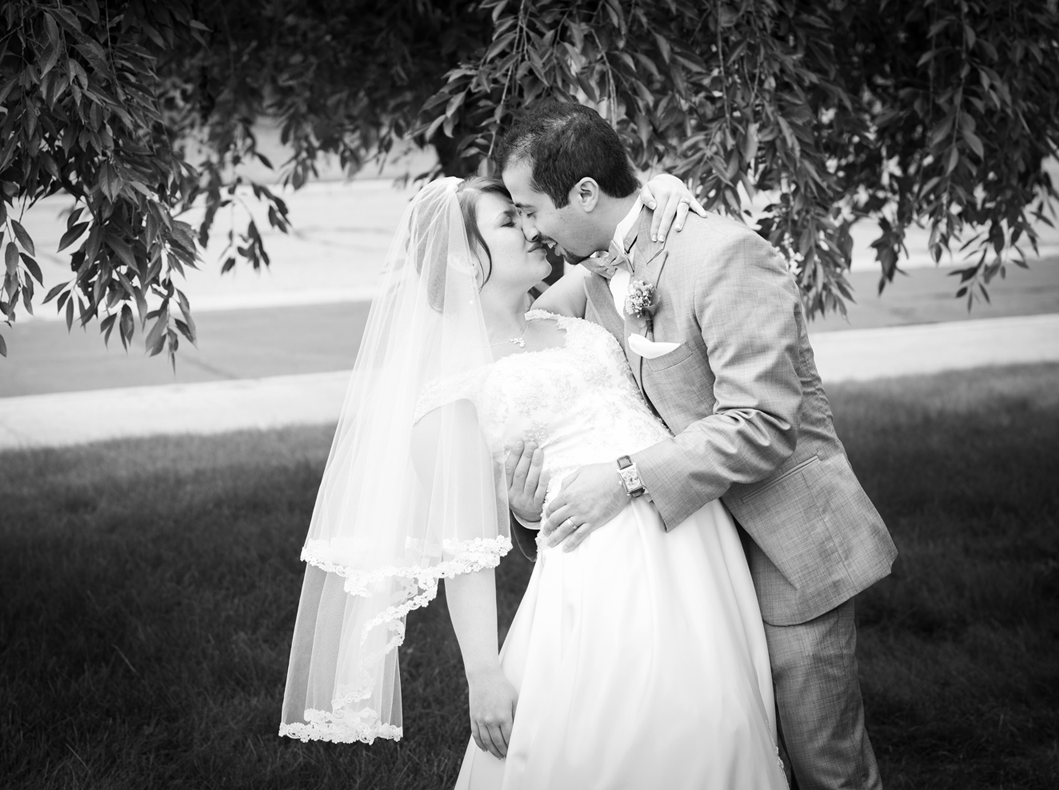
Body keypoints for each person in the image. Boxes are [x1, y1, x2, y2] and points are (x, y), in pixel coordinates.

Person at [279, 173, 789, 789]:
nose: (533, 228)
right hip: (601, 563)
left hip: (697, 535)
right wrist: (484, 676)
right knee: (643, 729)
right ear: (463, 260)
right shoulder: (449, 391)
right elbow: (466, 550)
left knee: (722, 718)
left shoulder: (564, 311)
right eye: (509, 221)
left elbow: (621, 224)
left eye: (527, 213)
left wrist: (662, 186)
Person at [498, 101, 897, 790]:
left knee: (820, 760)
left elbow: (762, 423)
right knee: (729, 751)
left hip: (786, 542)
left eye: (530, 209)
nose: (527, 226)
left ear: (585, 194)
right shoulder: (597, 268)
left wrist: (623, 477)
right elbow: (515, 331)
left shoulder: (724, 256)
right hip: (690, 560)